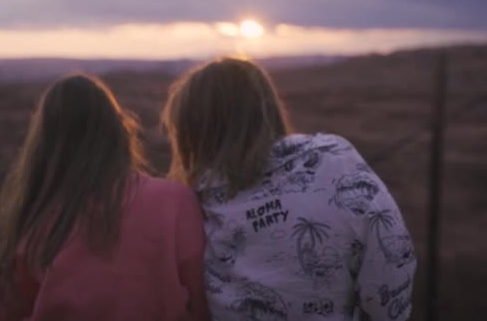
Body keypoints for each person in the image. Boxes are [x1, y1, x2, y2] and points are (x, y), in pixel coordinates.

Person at [161, 57, 417, 321]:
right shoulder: (333, 161)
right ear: (267, 107)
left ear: (194, 132)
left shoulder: (186, 207)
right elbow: (391, 259)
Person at [0, 73, 209, 321]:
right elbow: (203, 304)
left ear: (44, 145)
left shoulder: (37, 220)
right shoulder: (175, 201)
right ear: (119, 130)